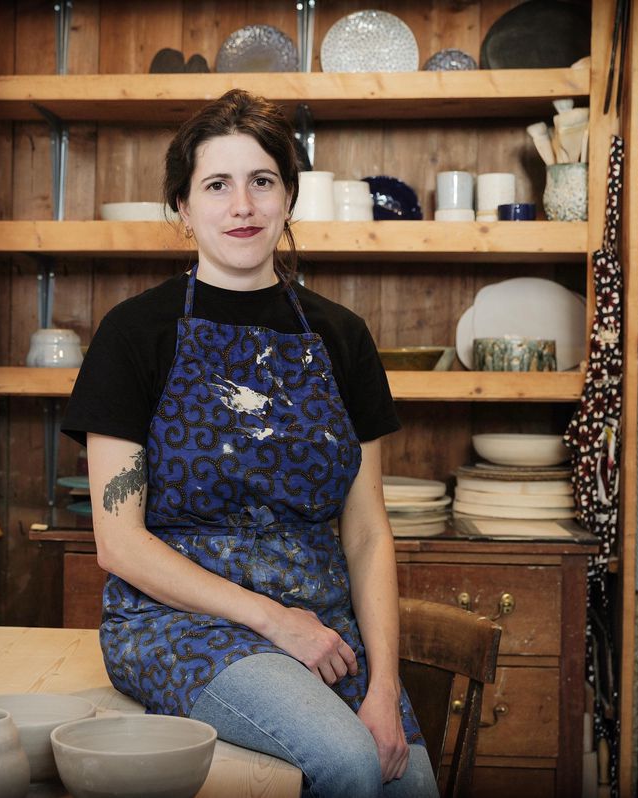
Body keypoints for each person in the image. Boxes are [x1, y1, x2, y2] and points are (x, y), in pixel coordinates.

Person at [61, 89, 436, 798]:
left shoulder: (341, 337)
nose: (243, 206)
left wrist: (384, 685)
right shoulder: (135, 334)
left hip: (323, 625)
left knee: (409, 785)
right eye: (216, 185)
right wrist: (276, 624)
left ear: (289, 198)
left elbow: (366, 534)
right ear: (182, 207)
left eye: (262, 182)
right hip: (179, 624)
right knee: (351, 763)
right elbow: (120, 544)